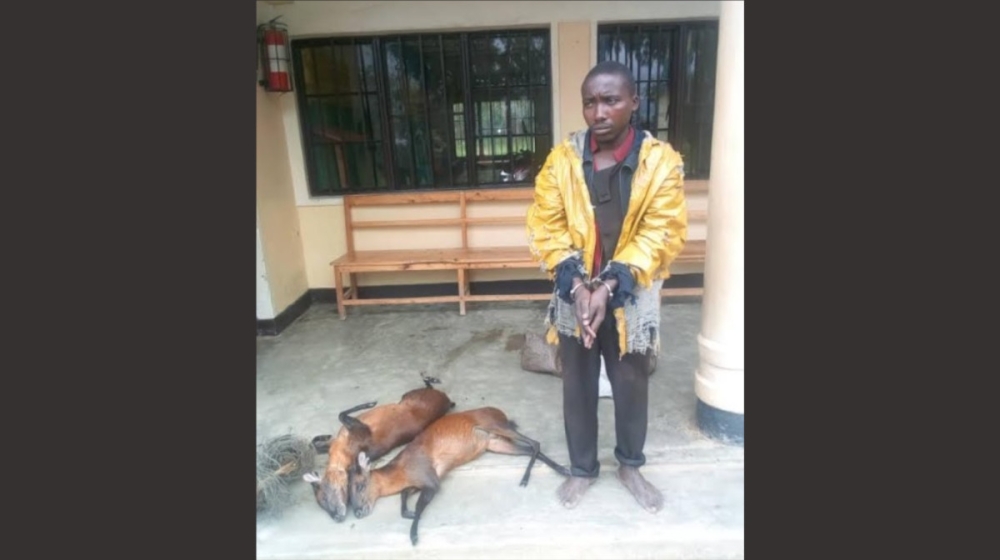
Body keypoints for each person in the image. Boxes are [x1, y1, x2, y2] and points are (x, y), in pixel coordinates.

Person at [526, 60, 688, 513]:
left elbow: (661, 230)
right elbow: (546, 223)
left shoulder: (659, 163)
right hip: (573, 289)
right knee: (576, 380)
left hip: (631, 293)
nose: (599, 111)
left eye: (611, 100)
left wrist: (613, 283)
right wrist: (576, 284)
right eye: (590, 102)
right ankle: (582, 470)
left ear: (634, 102)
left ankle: (630, 465)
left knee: (631, 379)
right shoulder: (563, 160)